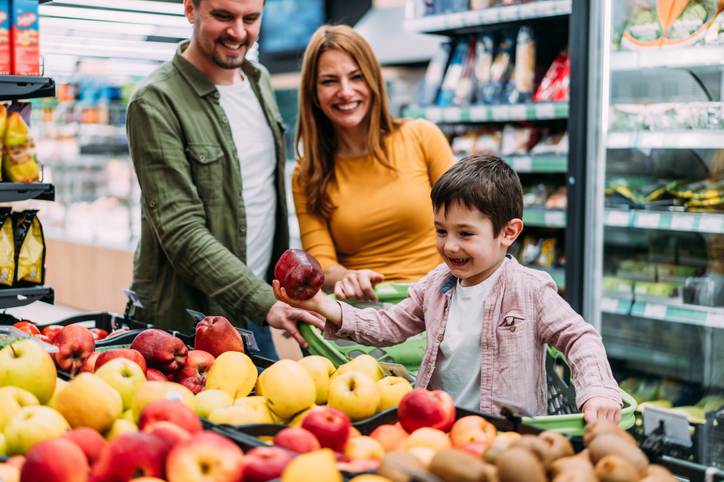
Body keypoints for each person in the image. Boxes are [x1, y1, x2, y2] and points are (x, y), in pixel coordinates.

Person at [275, 155, 623, 421]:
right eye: (441, 231)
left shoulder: (530, 291)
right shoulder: (435, 286)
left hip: (510, 437)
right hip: (441, 427)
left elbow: (580, 337)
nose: (450, 246)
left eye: (465, 234)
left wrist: (598, 392)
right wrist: (320, 302)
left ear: (508, 232)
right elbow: (386, 327)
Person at [125, 0, 323, 357]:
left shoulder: (260, 80)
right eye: (222, 16)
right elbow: (182, 231)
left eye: (251, 18)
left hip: (254, 311)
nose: (238, 32)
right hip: (187, 325)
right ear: (190, 9)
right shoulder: (155, 101)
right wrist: (264, 302)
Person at [293, 25, 455, 303]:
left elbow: (467, 224)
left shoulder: (422, 137)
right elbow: (324, 268)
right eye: (329, 81)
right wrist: (347, 277)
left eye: (356, 77)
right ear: (313, 93)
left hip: (442, 298)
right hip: (367, 310)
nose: (345, 91)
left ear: (372, 80)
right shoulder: (308, 175)